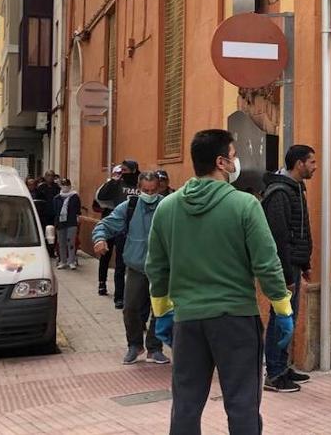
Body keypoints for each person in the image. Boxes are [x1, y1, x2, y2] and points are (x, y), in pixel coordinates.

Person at [145, 129, 294, 435]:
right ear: (221, 162)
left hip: (187, 321)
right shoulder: (244, 205)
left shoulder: (167, 208)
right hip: (236, 320)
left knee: (186, 403)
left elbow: (156, 268)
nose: (236, 160)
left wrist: (162, 313)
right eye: (234, 154)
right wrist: (283, 308)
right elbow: (267, 263)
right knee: (242, 404)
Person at [94, 169, 172, 366]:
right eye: (145, 190)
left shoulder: (168, 207)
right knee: (130, 308)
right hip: (136, 267)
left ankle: (155, 349)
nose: (149, 194)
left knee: (160, 310)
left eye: (153, 190)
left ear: (159, 188)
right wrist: (100, 239)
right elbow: (104, 225)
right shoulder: (128, 207)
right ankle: (135, 345)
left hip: (162, 269)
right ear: (139, 189)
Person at [261, 145, 316, 393]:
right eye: (311, 162)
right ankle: (274, 373)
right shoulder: (280, 193)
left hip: (294, 265)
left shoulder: (295, 189)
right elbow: (279, 237)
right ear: (299, 164)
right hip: (284, 269)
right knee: (280, 319)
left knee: (287, 318)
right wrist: (284, 275)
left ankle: (282, 366)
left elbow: (300, 231)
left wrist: (304, 264)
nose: (314, 167)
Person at [95, 160, 140, 307]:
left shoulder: (141, 182)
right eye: (121, 171)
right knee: (119, 265)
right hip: (120, 229)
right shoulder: (117, 184)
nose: (123, 174)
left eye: (126, 171)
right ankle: (119, 297)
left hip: (137, 230)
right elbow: (101, 197)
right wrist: (113, 181)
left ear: (134, 170)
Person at [52, 178, 81, 270]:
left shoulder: (75, 197)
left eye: (67, 185)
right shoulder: (57, 198)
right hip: (60, 222)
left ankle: (71, 261)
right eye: (63, 185)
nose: (65, 187)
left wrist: (76, 218)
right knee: (61, 242)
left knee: (71, 242)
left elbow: (77, 209)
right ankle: (63, 261)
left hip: (71, 222)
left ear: (70, 186)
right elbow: (55, 210)